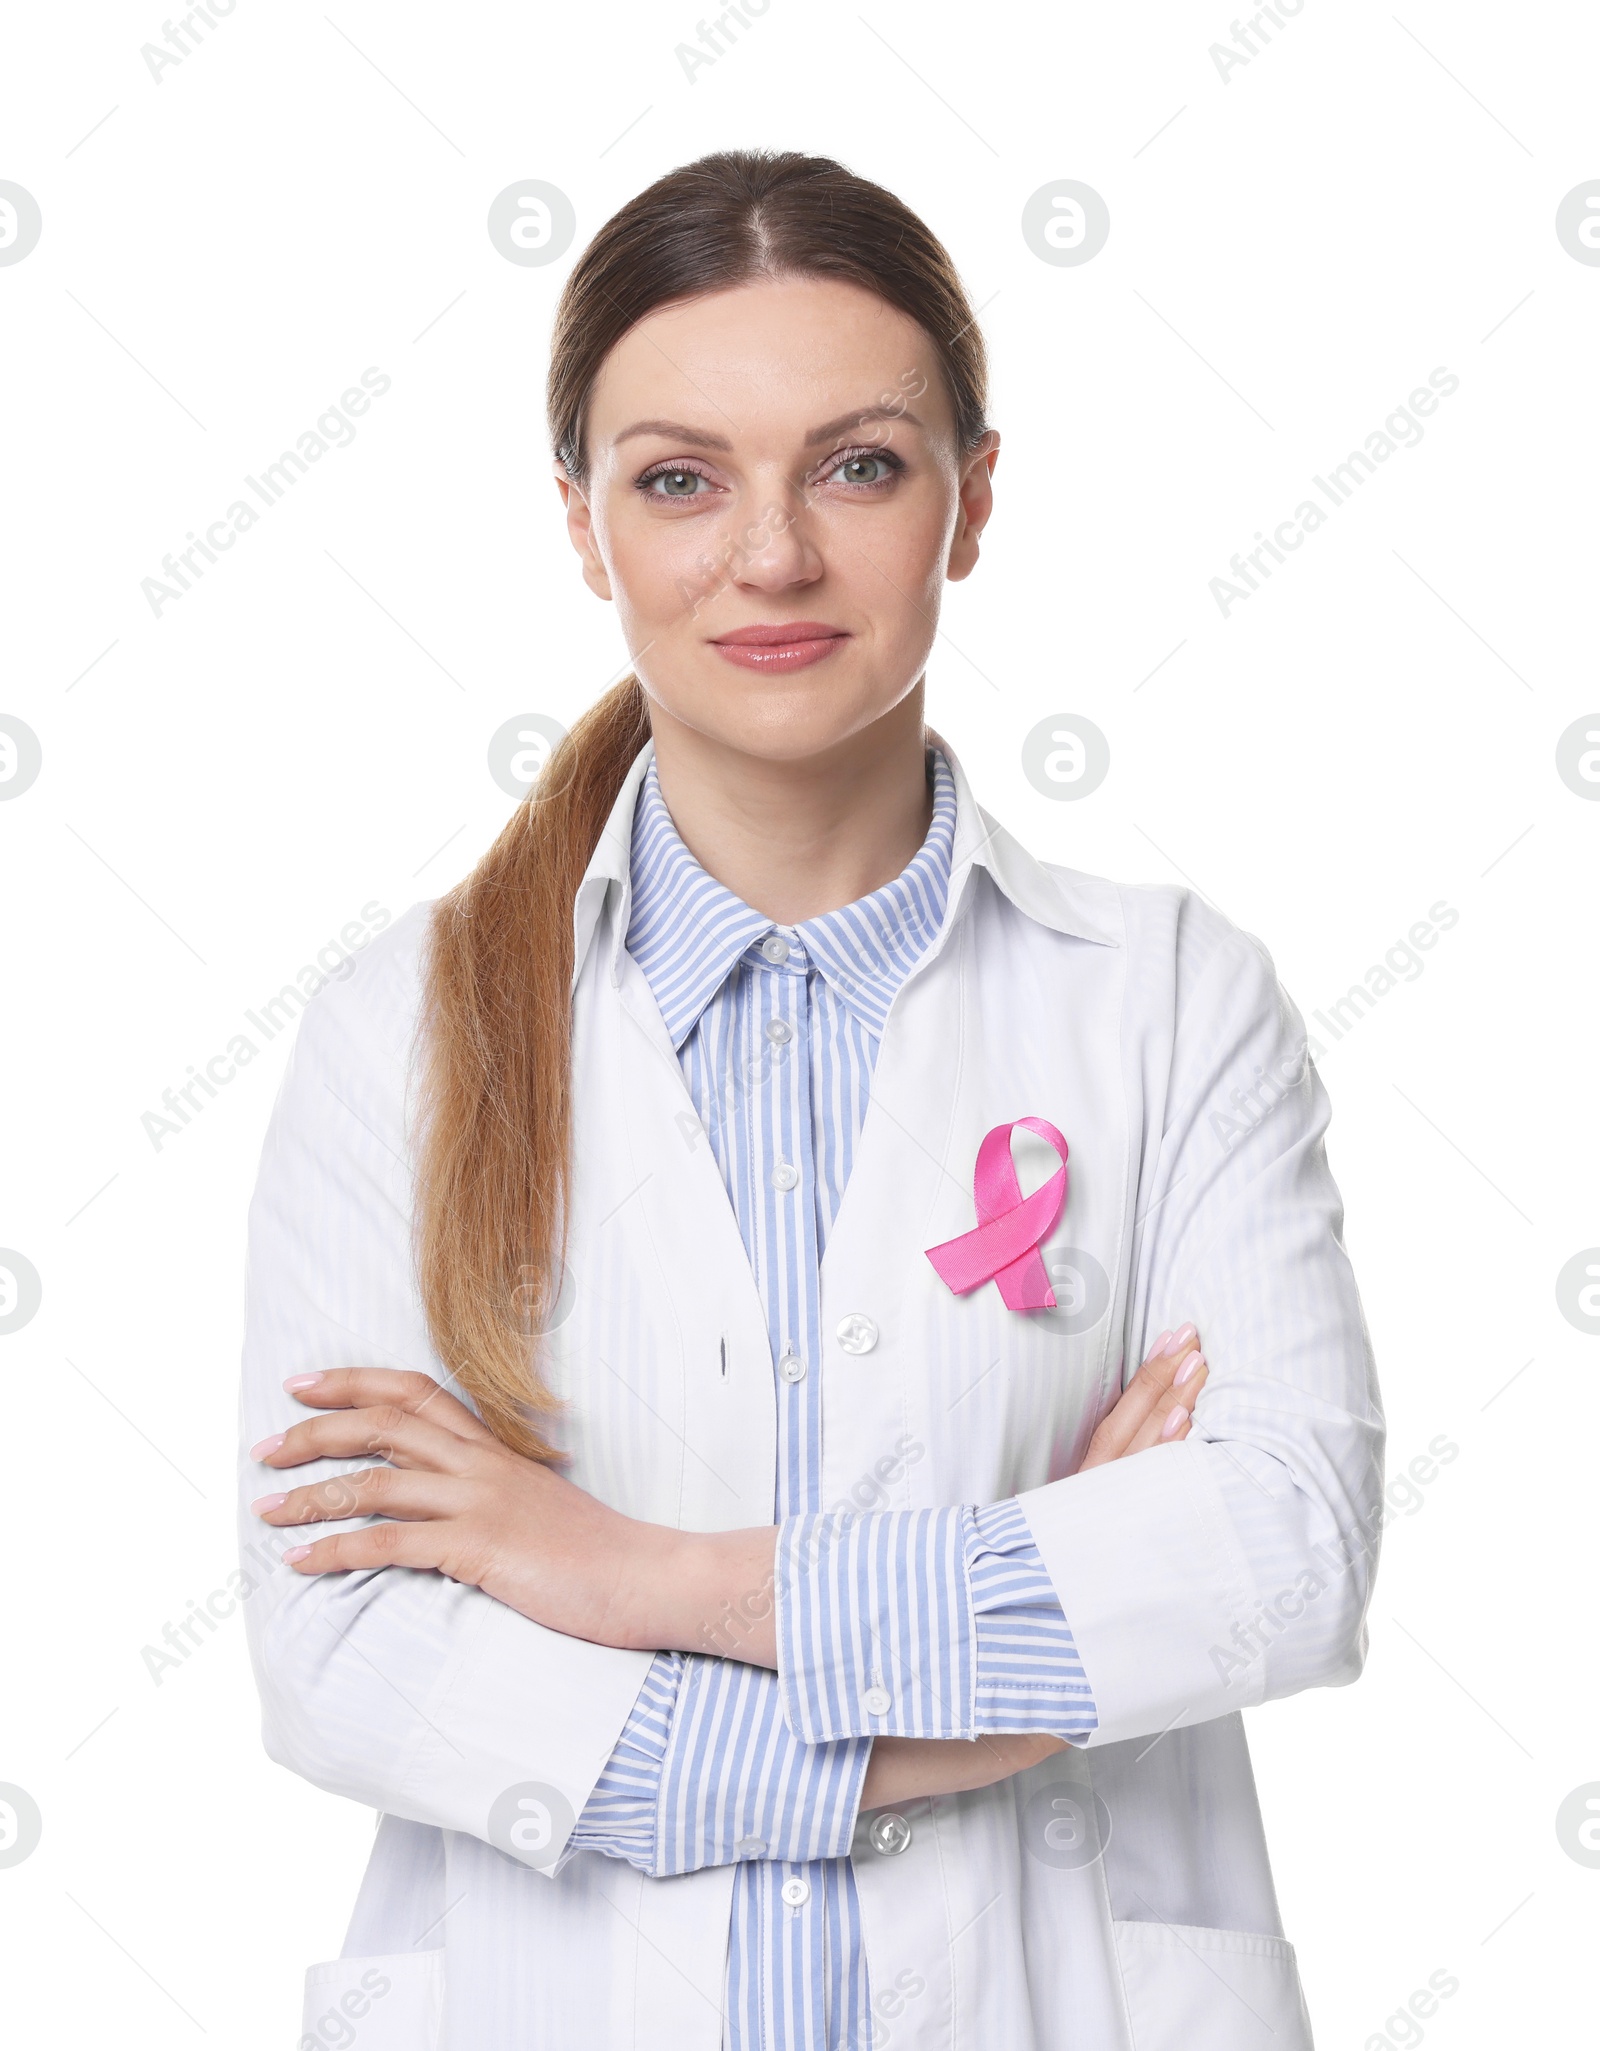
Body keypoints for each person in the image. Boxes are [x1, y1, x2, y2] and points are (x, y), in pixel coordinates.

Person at [238, 148, 1383, 2051]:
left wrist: (623, 1577)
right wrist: (975, 1704)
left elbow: (1277, 1558)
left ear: (974, 497)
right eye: (678, 478)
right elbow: (348, 1657)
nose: (768, 559)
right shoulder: (403, 1034)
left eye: (858, 465)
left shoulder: (1174, 1001)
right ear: (585, 524)